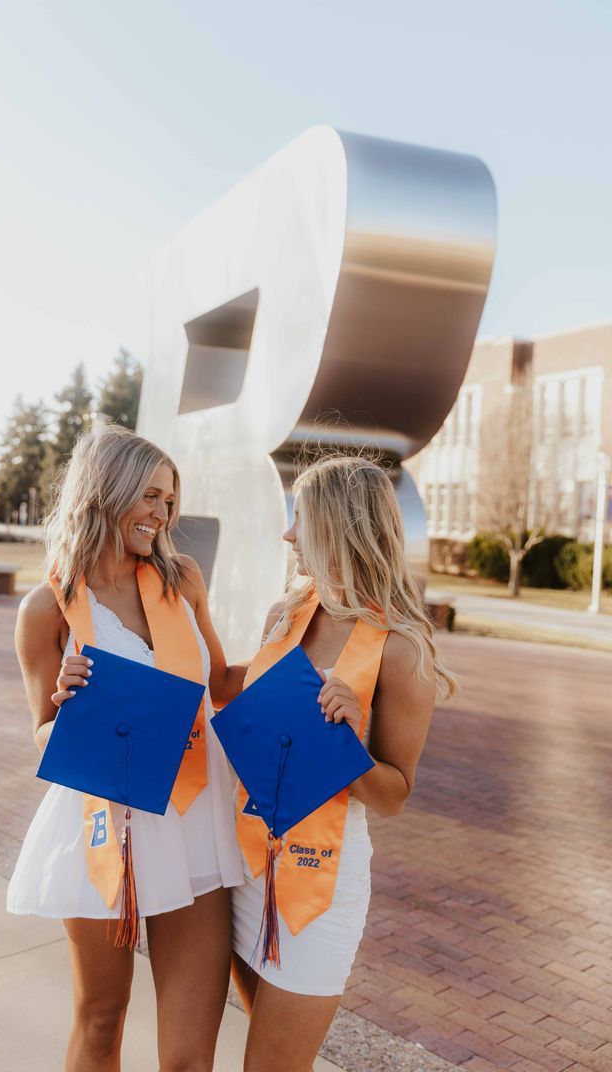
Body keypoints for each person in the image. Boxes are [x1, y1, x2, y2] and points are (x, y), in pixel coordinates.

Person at [7, 425, 245, 1072]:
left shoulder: (182, 579)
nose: (162, 514)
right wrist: (66, 707)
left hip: (193, 816)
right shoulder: (47, 608)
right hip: (103, 824)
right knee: (101, 1022)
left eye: (169, 500)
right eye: (148, 496)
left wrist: (296, 657)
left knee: (191, 1056)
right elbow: (42, 734)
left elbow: (220, 683)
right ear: (104, 492)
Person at [230, 454, 456, 1072]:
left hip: (317, 883)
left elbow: (393, 794)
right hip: (245, 861)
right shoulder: (290, 610)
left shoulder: (401, 650)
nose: (287, 533)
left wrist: (346, 745)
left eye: (298, 516)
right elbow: (248, 704)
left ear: (336, 525)